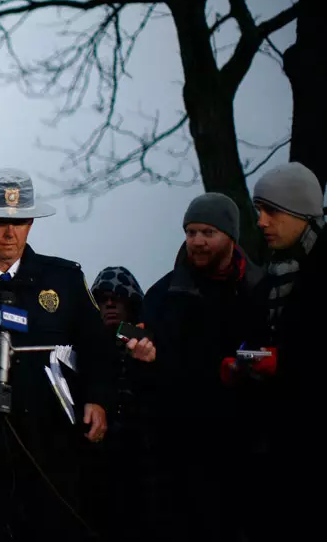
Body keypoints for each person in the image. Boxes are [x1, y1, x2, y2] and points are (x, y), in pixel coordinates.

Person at [0, 168, 116, 542]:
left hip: (54, 452)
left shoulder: (65, 280)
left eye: (21, 222)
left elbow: (98, 348)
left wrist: (98, 399)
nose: (10, 233)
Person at [142, 192, 272, 542]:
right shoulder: (162, 295)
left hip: (251, 447)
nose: (197, 241)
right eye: (190, 232)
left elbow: (277, 351)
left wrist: (245, 362)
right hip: (184, 451)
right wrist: (141, 354)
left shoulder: (263, 290)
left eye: (207, 233)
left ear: (230, 236)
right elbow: (140, 351)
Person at [251, 162, 325, 537]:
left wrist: (285, 363)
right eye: (258, 211)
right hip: (283, 443)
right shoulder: (272, 276)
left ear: (300, 212)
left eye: (272, 211)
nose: (261, 221)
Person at [90, 266, 156, 542]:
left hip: (142, 451)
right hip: (96, 455)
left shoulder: (141, 337)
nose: (110, 303)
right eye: (103, 298)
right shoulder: (85, 340)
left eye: (117, 297)